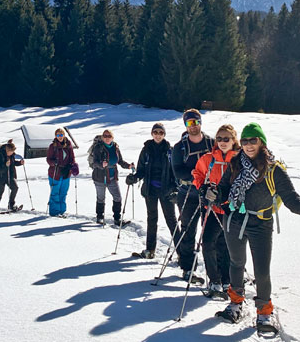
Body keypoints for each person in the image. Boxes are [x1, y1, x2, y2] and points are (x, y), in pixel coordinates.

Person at [208, 123, 300, 331]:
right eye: (245, 141)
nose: (249, 145)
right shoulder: (235, 162)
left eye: (253, 140)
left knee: (262, 271)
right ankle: (235, 303)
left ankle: (264, 313)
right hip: (235, 220)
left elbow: (290, 199)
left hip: (261, 223)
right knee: (236, 263)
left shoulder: (273, 169)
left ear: (262, 143)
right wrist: (214, 194)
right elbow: (224, 189)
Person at [192, 124, 239, 299]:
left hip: (231, 209)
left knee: (227, 246)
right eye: (219, 138)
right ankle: (215, 280)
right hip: (211, 208)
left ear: (234, 140)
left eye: (226, 138)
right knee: (208, 243)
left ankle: (227, 280)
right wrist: (202, 188)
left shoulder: (239, 159)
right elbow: (197, 173)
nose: (222, 142)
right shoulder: (208, 158)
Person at [171, 109, 214, 284]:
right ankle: (188, 268)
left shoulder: (212, 142)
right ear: (185, 125)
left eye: (195, 122)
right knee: (188, 230)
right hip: (188, 193)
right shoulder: (179, 148)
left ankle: (216, 273)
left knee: (211, 233)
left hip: (209, 194)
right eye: (189, 123)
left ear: (200, 122)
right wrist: (198, 176)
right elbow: (178, 171)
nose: (193, 126)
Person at [125, 123, 177, 259]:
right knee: (152, 219)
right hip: (150, 190)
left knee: (171, 221)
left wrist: (176, 188)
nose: (158, 135)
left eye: (160, 132)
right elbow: (141, 169)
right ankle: (150, 249)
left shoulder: (170, 151)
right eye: (155, 132)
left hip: (167, 191)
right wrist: (134, 178)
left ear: (164, 134)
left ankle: (182, 254)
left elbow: (174, 172)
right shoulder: (146, 150)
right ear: (152, 134)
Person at [88, 129, 134, 226]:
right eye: (105, 136)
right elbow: (94, 162)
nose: (107, 138)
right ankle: (100, 217)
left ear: (112, 137)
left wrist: (128, 166)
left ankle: (117, 219)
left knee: (117, 197)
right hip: (100, 176)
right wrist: (101, 164)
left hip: (112, 176)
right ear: (102, 137)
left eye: (109, 136)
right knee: (101, 198)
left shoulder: (115, 147)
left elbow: (120, 161)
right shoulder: (98, 147)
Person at [47, 128, 78, 217]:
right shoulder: (52, 146)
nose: (60, 137)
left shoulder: (68, 145)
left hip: (66, 172)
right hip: (55, 172)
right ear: (55, 136)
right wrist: (53, 163)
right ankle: (54, 212)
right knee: (55, 192)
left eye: (61, 135)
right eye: (58, 135)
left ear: (64, 135)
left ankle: (62, 211)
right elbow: (48, 159)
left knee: (63, 192)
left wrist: (72, 165)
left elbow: (72, 157)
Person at [0, 139, 24, 214]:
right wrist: (5, 165)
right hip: (0, 177)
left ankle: (11, 205)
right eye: (11, 151)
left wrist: (20, 163)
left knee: (15, 188)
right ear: (7, 150)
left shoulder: (11, 155)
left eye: (13, 151)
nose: (12, 153)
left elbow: (13, 163)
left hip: (10, 176)